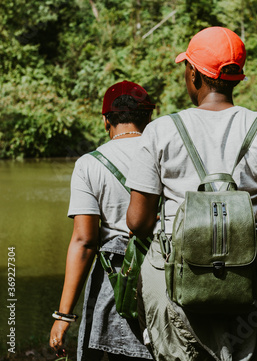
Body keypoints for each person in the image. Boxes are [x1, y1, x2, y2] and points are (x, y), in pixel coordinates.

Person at [126, 27, 257, 360]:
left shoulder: (161, 130)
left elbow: (137, 221)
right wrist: (249, 234)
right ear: (237, 77)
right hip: (247, 279)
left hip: (173, 281)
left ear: (193, 73)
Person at [50, 81, 156, 361]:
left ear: (105, 119)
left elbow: (85, 241)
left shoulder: (90, 164)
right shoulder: (165, 152)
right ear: (149, 117)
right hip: (166, 275)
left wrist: (63, 315)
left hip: (117, 284)